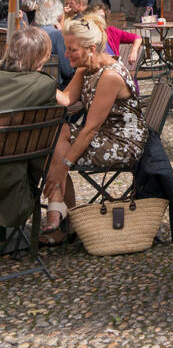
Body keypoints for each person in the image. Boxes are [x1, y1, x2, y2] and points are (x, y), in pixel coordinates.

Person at [41, 18, 148, 241]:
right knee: (55, 133)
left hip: (122, 142)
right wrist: (36, 80)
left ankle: (65, 217)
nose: (66, 54)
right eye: (66, 48)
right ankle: (63, 212)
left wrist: (64, 166)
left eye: (72, 50)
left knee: (53, 152)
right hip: (102, 135)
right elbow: (66, 99)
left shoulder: (109, 76)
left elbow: (90, 128)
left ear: (91, 49)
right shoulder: (86, 67)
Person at [0, 27, 61, 252]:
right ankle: (57, 211)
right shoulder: (43, 85)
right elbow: (65, 101)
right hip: (14, 177)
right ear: (42, 57)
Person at [86, 3, 143, 75]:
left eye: (102, 17)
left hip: (114, 69)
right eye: (97, 17)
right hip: (95, 72)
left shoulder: (111, 31)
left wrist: (133, 52)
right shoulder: (86, 33)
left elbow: (137, 38)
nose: (100, 20)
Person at [33, 0, 74, 86]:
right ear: (59, 15)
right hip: (53, 87)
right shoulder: (56, 35)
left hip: (33, 83)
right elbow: (67, 71)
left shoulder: (30, 32)